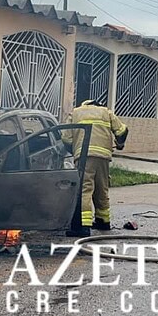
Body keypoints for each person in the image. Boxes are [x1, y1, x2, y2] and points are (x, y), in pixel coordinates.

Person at [62, 98, 129, 237]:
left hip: (84, 156)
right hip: (103, 156)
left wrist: (74, 150)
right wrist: (120, 143)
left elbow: (66, 138)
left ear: (84, 104)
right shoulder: (106, 112)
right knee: (101, 188)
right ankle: (103, 221)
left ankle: (83, 226)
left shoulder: (76, 113)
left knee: (85, 189)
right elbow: (122, 131)